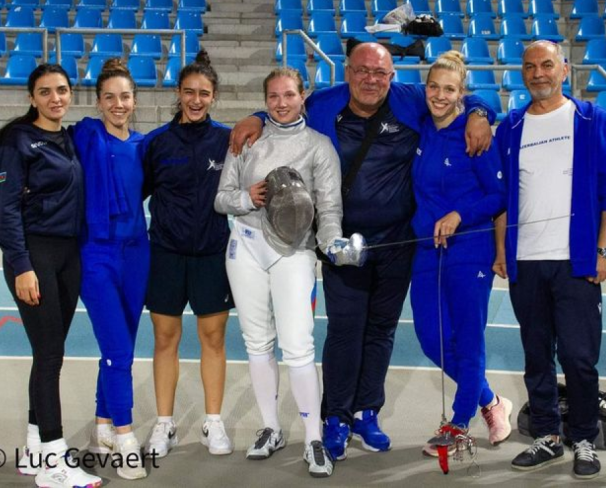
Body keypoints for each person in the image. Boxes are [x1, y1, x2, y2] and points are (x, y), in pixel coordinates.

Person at [231, 41, 495, 461]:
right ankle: (336, 417)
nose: (371, 80)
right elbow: (286, 106)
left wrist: (480, 113)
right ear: (347, 72)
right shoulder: (326, 104)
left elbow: (460, 94)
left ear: (392, 77)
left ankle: (367, 412)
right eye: (362, 71)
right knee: (344, 330)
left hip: (396, 242)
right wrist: (257, 117)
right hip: (341, 241)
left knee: (381, 330)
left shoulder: (411, 99)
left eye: (380, 73)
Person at [216, 67, 364, 477]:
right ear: (265, 101)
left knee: (298, 346)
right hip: (245, 248)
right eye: (273, 97)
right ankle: (271, 428)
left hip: (294, 251)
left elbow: (329, 209)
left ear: (303, 97)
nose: (281, 103)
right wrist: (247, 198)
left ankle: (313, 438)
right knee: (257, 343)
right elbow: (221, 199)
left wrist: (332, 243)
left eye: (289, 95)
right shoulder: (246, 139)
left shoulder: (319, 146)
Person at [492, 40, 606, 479]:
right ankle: (548, 436)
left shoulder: (591, 120)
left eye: (547, 65)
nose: (538, 73)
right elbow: (501, 199)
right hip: (526, 262)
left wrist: (603, 250)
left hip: (577, 262)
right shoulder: (511, 126)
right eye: (530, 66)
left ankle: (584, 437)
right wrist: (502, 251)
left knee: (578, 358)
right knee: (536, 356)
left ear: (564, 70)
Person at [0, 64, 102, 488]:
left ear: (70, 93)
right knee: (51, 356)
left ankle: (35, 448)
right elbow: (7, 211)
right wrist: (22, 265)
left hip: (68, 254)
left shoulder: (70, 138)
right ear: (31, 98)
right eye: (45, 92)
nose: (55, 98)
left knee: (47, 353)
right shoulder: (18, 142)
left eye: (61, 90)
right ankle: (55, 462)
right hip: (34, 254)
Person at [409, 51, 513, 456]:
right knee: (430, 339)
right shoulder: (421, 126)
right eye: (433, 87)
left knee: (468, 342)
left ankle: (459, 423)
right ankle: (490, 400)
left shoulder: (475, 135)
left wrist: (459, 215)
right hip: (426, 251)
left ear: (461, 94)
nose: (439, 95)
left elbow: (498, 195)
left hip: (469, 250)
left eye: (449, 89)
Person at [142, 50, 235, 458]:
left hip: (211, 254)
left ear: (214, 97)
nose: (196, 100)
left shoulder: (228, 141)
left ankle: (213, 421)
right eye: (189, 92)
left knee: (213, 338)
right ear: (178, 93)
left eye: (204, 93)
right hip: (165, 254)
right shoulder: (157, 144)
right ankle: (165, 423)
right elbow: (134, 195)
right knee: (165, 338)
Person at [73, 59, 148, 480]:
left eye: (125, 97)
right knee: (119, 351)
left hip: (137, 255)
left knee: (121, 348)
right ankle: (125, 437)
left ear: (134, 101)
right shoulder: (86, 137)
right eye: (110, 97)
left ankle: (102, 425)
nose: (118, 104)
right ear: (98, 102)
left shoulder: (143, 146)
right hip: (96, 255)